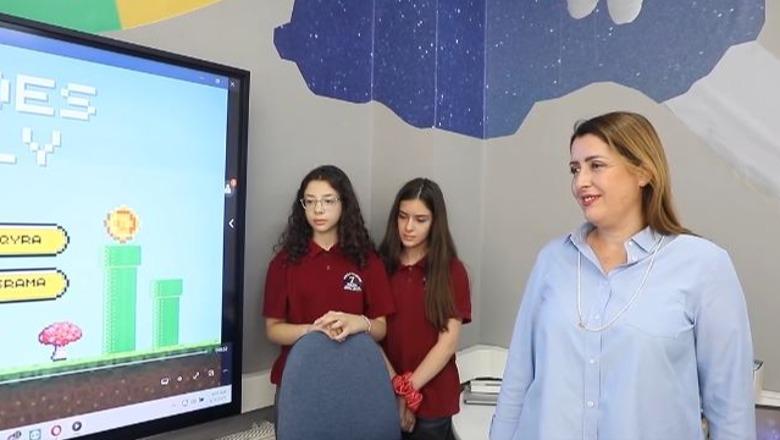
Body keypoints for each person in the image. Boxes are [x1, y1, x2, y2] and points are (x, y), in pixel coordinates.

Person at [490, 112, 755, 440]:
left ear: (643, 171)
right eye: (575, 169)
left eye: (596, 165)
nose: (580, 182)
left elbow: (731, 411)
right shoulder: (552, 260)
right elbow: (517, 382)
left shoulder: (703, 265)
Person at [262, 165, 395, 393]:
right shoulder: (284, 263)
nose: (318, 209)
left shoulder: (367, 260)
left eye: (328, 201)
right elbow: (273, 329)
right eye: (310, 201)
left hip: (355, 378)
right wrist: (311, 331)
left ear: (344, 203)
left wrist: (358, 323)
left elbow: (381, 328)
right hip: (299, 378)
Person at [379, 178, 472, 440]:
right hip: (384, 392)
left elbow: (447, 343)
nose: (408, 227)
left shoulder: (452, 271)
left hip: (434, 401)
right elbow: (372, 332)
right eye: (403, 217)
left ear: (435, 223)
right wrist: (397, 388)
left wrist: (409, 390)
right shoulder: (381, 266)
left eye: (420, 220)